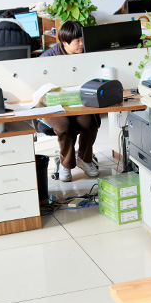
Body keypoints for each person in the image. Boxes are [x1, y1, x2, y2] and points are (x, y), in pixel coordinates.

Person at [38, 20, 100, 182]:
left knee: (90, 123)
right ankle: (66, 164)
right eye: (77, 41)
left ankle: (84, 159)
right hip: (52, 104)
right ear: (64, 42)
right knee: (64, 126)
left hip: (77, 102)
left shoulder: (86, 54)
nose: (82, 44)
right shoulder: (47, 59)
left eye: (83, 39)